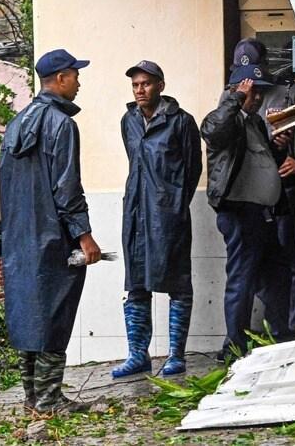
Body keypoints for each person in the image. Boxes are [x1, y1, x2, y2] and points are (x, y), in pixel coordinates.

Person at [0, 48, 102, 415]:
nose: (79, 81)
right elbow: (66, 187)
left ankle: (33, 398)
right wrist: (84, 235)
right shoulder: (62, 125)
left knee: (30, 316)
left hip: (19, 239)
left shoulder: (16, 124)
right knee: (54, 315)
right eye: (75, 74)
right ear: (60, 78)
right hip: (53, 236)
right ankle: (49, 400)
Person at [230, 38, 295, 339]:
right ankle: (248, 336)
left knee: (290, 264)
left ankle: (292, 332)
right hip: (247, 195)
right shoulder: (231, 96)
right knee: (248, 265)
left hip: (281, 193)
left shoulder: (288, 92)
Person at [111, 60, 202, 379]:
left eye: (146, 84)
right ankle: (138, 354)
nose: (139, 90)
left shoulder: (181, 122)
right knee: (135, 282)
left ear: (161, 85)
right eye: (135, 85)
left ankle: (176, 355)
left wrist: (174, 202)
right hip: (135, 212)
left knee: (177, 282)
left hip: (168, 215)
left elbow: (192, 170)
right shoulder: (129, 121)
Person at [201, 59, 293, 358]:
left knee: (277, 276)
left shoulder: (253, 122)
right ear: (238, 91)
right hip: (240, 213)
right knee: (242, 278)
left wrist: (278, 146)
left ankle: (279, 337)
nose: (259, 98)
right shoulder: (226, 119)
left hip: (262, 214)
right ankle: (233, 346)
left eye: (260, 93)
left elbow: (260, 164)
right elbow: (212, 131)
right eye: (254, 93)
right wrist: (235, 98)